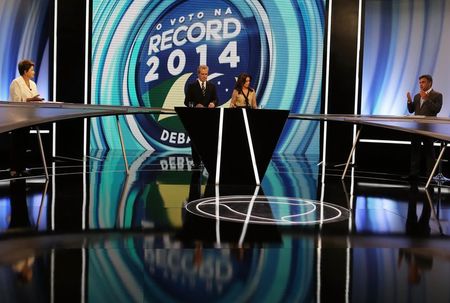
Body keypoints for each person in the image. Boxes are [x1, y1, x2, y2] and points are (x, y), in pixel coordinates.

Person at [8, 60, 44, 177]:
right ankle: (14, 168)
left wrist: (36, 100)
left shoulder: (33, 84)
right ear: (25, 71)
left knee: (24, 143)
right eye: (31, 70)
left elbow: (35, 97)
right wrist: (30, 100)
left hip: (28, 117)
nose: (33, 72)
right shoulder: (16, 83)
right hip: (17, 118)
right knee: (17, 143)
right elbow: (16, 101)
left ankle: (22, 167)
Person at [405, 74, 443, 180]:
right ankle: (414, 174)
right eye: (420, 82)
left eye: (423, 82)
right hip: (416, 127)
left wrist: (427, 99)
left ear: (430, 83)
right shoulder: (417, 96)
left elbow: (436, 109)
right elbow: (412, 110)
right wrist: (409, 101)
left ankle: (430, 175)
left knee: (429, 153)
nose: (421, 84)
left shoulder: (437, 95)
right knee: (415, 151)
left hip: (429, 128)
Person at [184, 65, 218, 167]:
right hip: (196, 118)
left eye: (206, 74)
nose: (204, 76)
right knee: (195, 140)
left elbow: (216, 99)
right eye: (202, 74)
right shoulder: (191, 86)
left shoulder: (212, 86)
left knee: (207, 140)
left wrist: (213, 103)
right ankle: (196, 162)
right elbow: (186, 102)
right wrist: (195, 105)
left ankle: (207, 161)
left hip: (208, 118)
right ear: (198, 74)